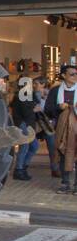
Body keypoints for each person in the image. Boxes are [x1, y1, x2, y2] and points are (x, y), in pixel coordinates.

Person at [44, 63, 77, 192]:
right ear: (64, 75)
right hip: (61, 129)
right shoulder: (55, 91)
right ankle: (65, 183)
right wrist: (59, 107)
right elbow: (48, 109)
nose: (75, 76)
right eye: (72, 74)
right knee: (63, 153)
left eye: (76, 74)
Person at [10, 74, 39, 180]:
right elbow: (26, 111)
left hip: (27, 124)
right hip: (23, 123)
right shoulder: (21, 96)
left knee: (33, 146)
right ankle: (19, 169)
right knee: (25, 147)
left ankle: (22, 167)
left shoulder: (27, 94)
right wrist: (34, 109)